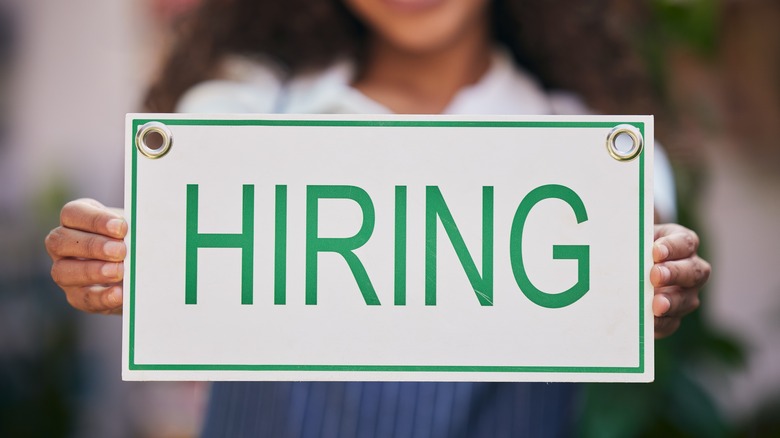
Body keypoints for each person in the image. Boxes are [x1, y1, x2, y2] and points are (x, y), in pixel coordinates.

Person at [45, 0, 711, 436]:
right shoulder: (240, 108)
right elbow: (166, 261)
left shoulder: (584, 137)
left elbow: (641, 251)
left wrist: (651, 277)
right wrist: (112, 261)